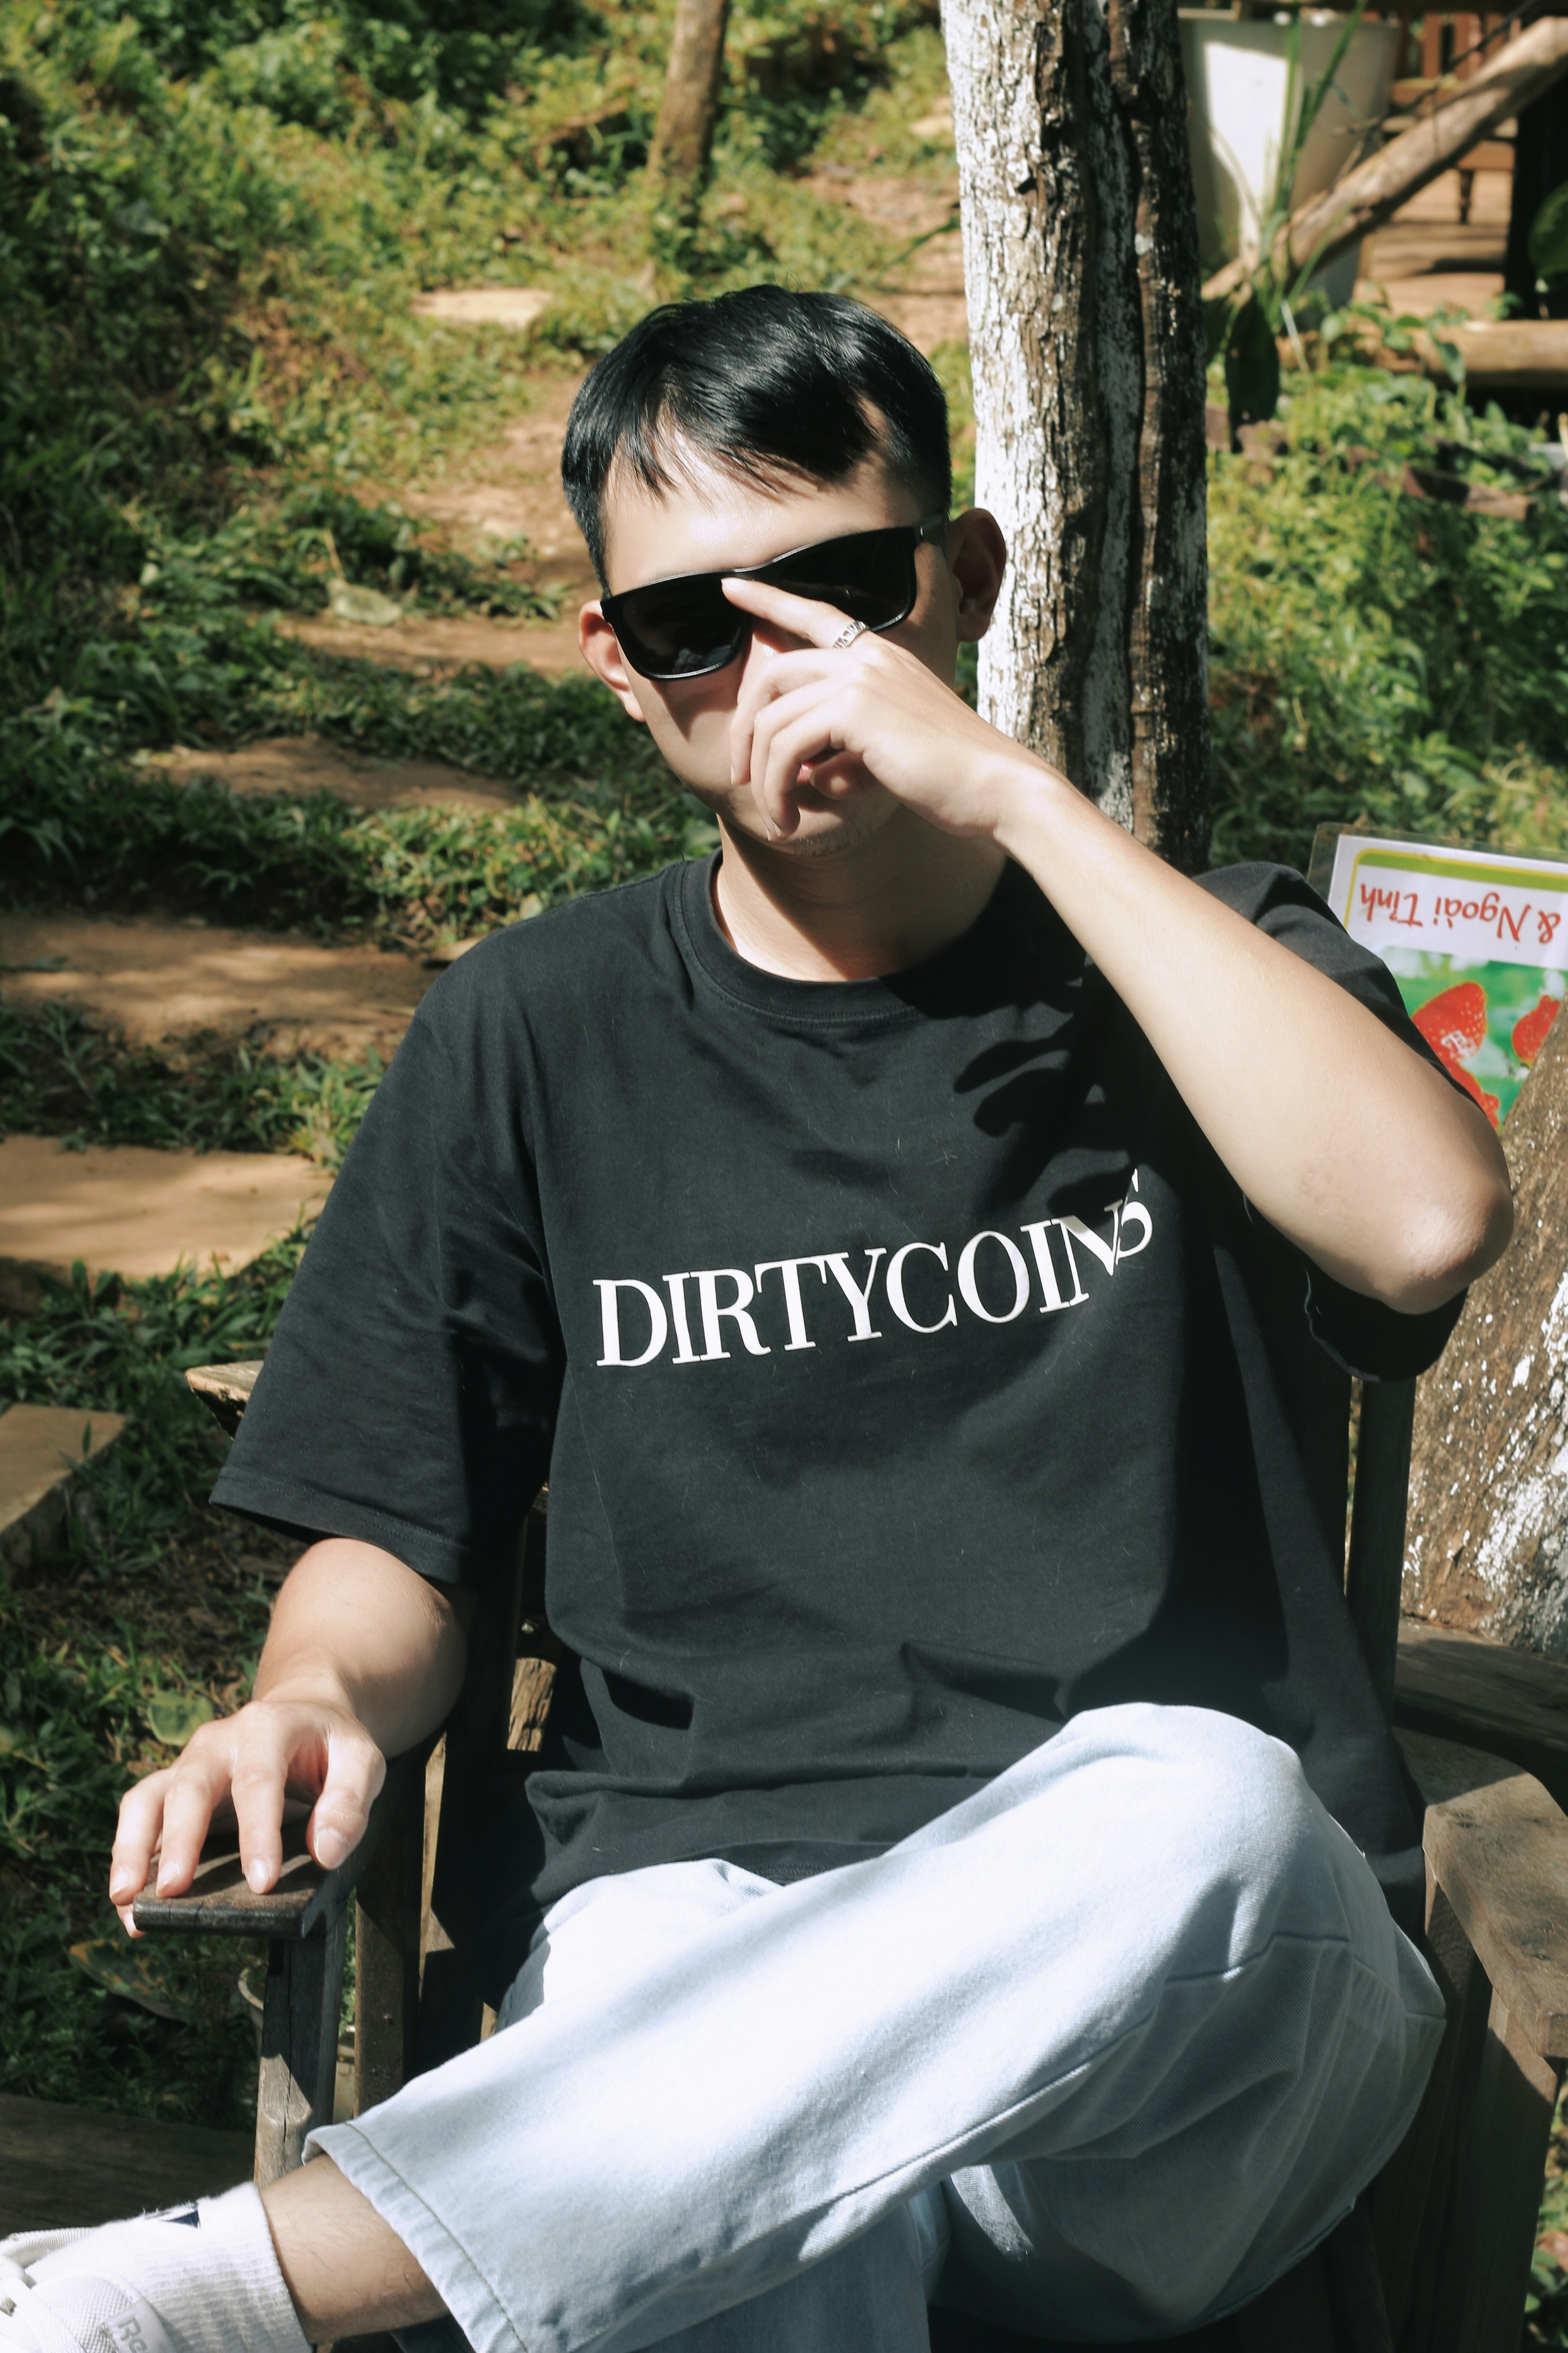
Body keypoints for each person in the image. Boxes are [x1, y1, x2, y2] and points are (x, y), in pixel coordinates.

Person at [1, 287, 1513, 2353]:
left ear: (963, 584)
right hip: (698, 1952)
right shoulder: (529, 1035)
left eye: (845, 591)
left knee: (1201, 1803)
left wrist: (1019, 806)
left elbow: (1422, 1224)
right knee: (735, 2179)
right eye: (700, 624)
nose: (782, 671)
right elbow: (395, 1518)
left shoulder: (1199, 962)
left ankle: (206, 2295)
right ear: (617, 665)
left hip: (1191, 2027)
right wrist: (314, 1704)